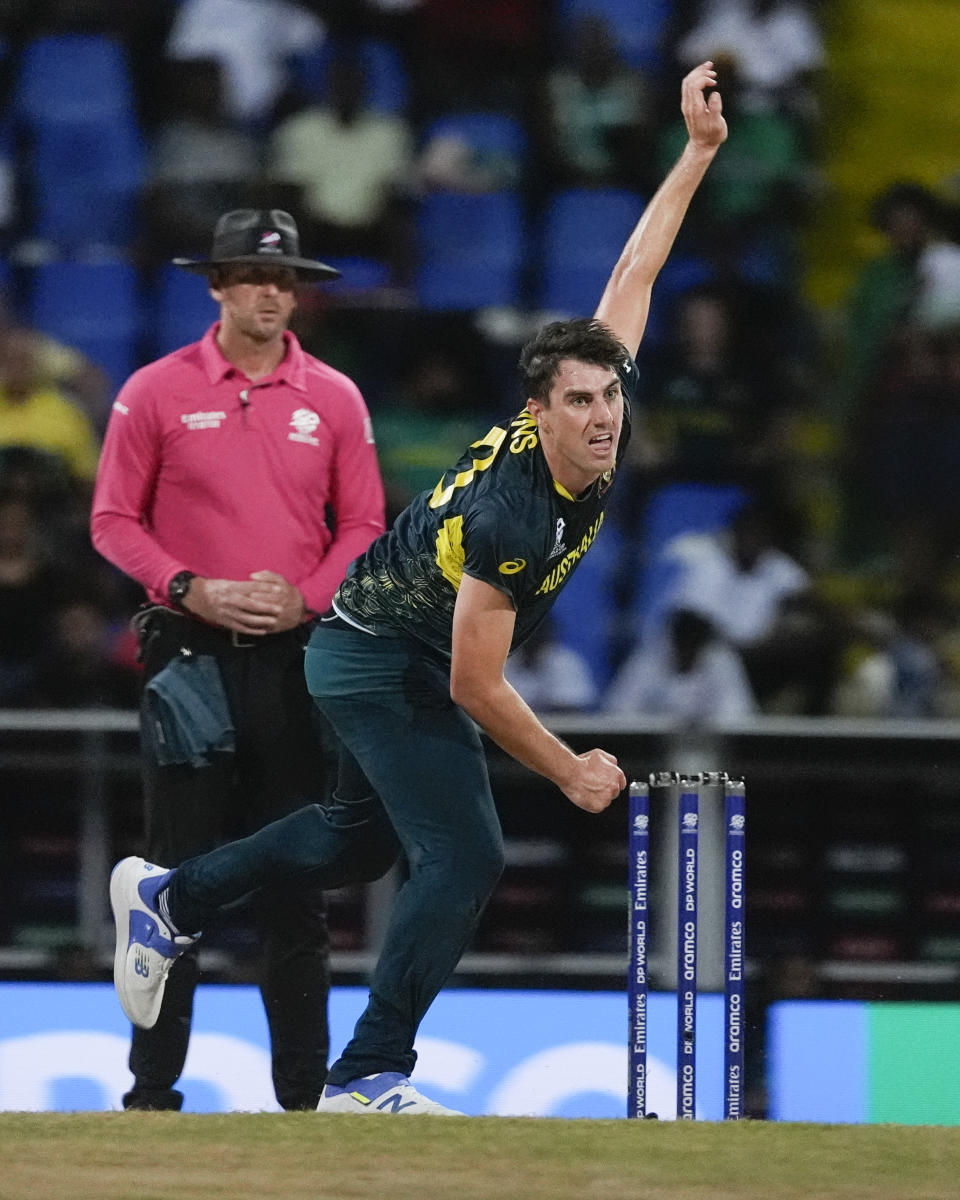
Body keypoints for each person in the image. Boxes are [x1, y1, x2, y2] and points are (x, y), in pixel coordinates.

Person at [108, 63, 727, 1116]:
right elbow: (476, 685)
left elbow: (636, 262)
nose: (603, 418)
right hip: (375, 657)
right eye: (579, 402)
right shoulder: (514, 514)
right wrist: (571, 768)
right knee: (465, 852)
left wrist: (698, 153)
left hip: (366, 639)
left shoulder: (595, 408)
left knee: (357, 838)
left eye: (610, 396)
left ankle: (171, 894)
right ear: (540, 409)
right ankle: (367, 1073)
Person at [91, 208, 386, 1112]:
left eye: (285, 279)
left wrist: (309, 596)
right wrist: (190, 588)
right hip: (188, 655)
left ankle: (303, 1099)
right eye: (253, 277)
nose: (271, 292)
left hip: (296, 652)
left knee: (297, 885)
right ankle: (151, 1094)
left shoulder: (333, 397)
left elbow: (366, 526)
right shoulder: (154, 391)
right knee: (171, 881)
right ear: (215, 286)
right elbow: (111, 522)